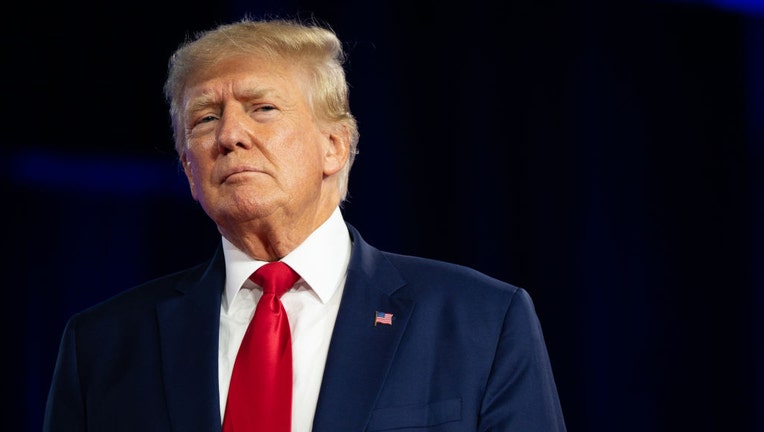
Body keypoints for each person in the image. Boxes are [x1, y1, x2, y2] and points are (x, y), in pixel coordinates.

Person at [43, 17, 567, 432]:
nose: (229, 135)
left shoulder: (481, 320)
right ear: (188, 169)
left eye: (262, 108)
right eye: (205, 118)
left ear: (334, 147)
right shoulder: (102, 345)